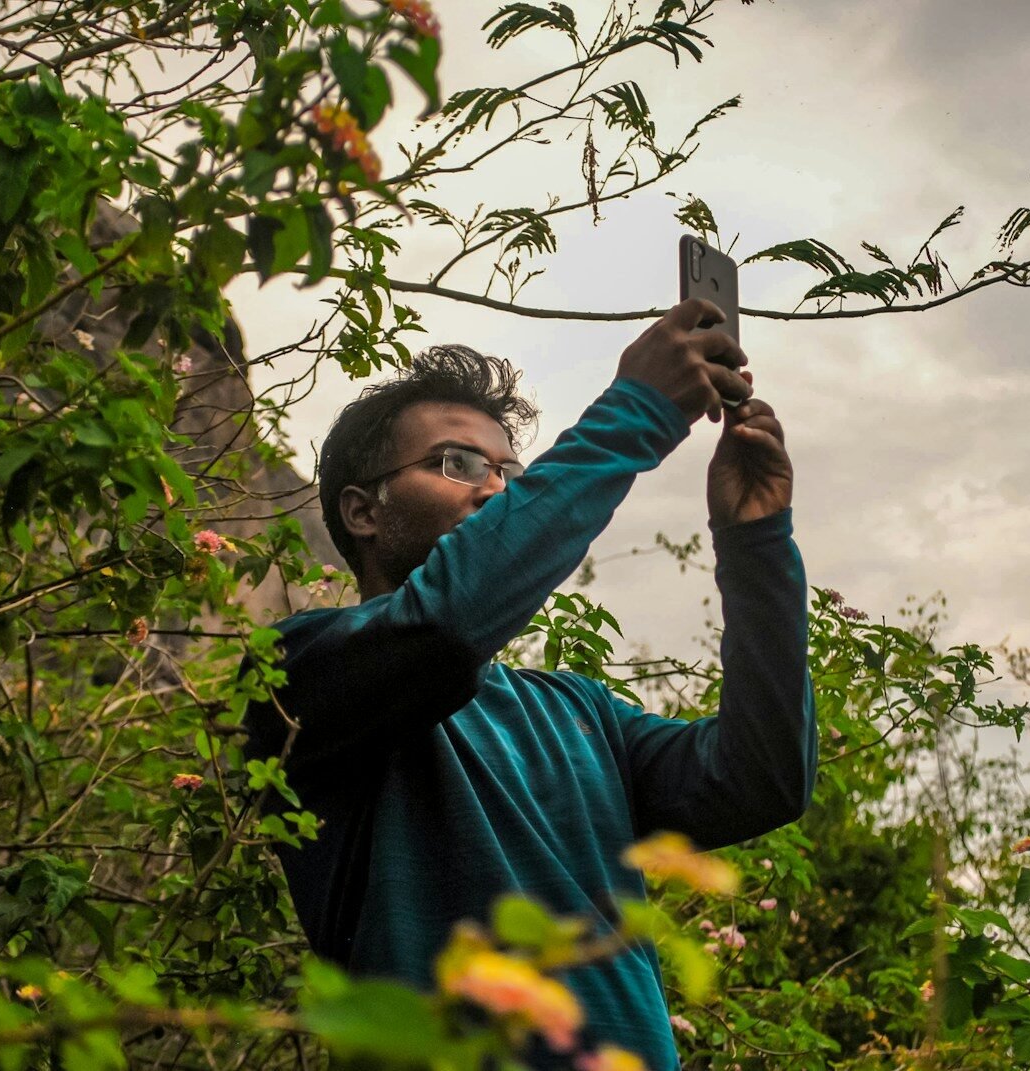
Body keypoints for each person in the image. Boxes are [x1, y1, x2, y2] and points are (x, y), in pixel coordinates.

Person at [244, 298, 817, 1069]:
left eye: (510, 472)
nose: (495, 489)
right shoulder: (294, 674)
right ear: (362, 510)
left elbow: (763, 779)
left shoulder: (578, 711)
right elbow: (442, 629)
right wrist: (639, 411)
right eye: (458, 464)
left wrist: (755, 540)